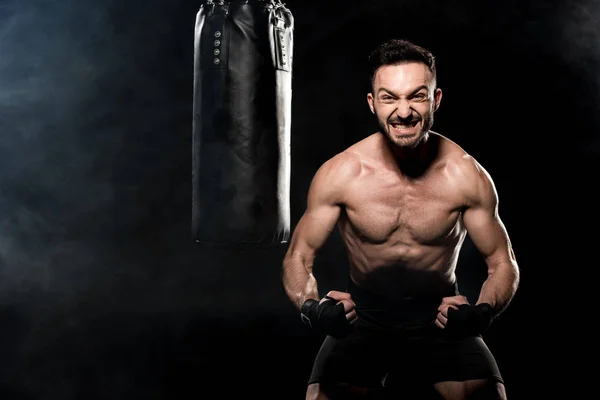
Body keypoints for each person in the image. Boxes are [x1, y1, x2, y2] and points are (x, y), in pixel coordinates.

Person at [281, 38, 520, 400]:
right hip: (363, 319)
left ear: (435, 99)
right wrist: (312, 309)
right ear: (372, 102)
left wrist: (482, 313)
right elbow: (298, 257)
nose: (403, 111)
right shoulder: (342, 173)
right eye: (390, 97)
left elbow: (503, 262)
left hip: (439, 320)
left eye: (416, 96)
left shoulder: (465, 175)